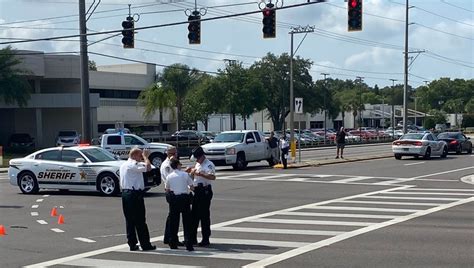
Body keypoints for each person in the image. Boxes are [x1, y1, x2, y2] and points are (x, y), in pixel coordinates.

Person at [119, 148, 156, 251]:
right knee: (140, 220)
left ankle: (132, 243)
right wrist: (146, 157)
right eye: (140, 156)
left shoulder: (124, 165)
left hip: (126, 194)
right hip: (134, 194)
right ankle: (145, 244)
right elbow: (148, 168)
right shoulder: (133, 164)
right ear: (134, 155)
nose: (141, 158)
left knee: (129, 220)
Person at [187, 146, 216, 247]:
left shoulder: (208, 165)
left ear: (202, 156)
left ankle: (205, 239)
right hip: (197, 190)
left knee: (204, 216)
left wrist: (200, 174)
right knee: (194, 216)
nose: (197, 160)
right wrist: (191, 173)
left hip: (204, 191)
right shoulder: (198, 163)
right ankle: (192, 238)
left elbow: (212, 177)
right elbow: (194, 176)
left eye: (198, 158)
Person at [165, 158, 194, 251]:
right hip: (184, 198)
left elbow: (167, 189)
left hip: (174, 199)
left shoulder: (169, 176)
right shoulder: (185, 175)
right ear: (178, 165)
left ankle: (172, 242)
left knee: (174, 222)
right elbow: (192, 187)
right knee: (187, 222)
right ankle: (189, 243)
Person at [161, 146, 184, 246]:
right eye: (173, 154)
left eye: (176, 153)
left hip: (174, 191)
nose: (175, 155)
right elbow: (170, 179)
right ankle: (172, 238)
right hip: (172, 192)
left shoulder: (173, 163)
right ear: (168, 154)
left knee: (172, 216)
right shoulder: (167, 165)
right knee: (174, 217)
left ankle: (168, 237)